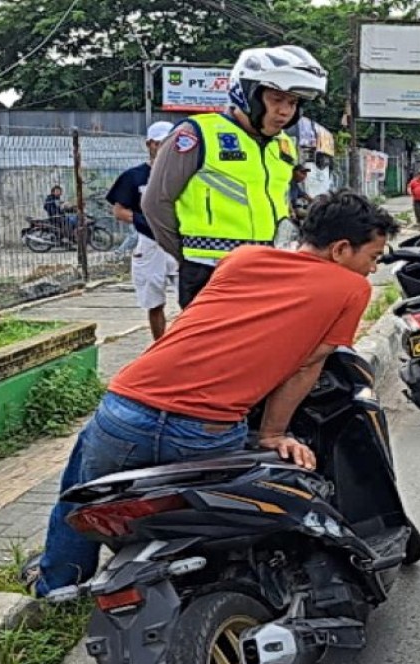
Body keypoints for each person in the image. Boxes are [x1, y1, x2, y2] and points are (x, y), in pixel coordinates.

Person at [21, 190, 397, 598]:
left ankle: (55, 588)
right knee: (238, 518)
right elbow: (307, 366)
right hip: (204, 431)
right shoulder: (350, 288)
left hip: (126, 409)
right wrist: (273, 433)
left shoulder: (243, 258)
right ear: (342, 249)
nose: (372, 269)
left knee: (79, 499)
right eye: (372, 258)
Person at [143, 45, 327, 308]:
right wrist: (186, 256)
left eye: (293, 102)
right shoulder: (196, 134)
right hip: (211, 272)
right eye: (276, 99)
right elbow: (156, 203)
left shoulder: (283, 145)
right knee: (211, 349)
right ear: (248, 94)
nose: (285, 112)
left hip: (267, 269)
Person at [106, 121, 178, 340]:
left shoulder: (186, 174)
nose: (166, 147)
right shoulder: (134, 177)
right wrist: (144, 222)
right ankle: (160, 346)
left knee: (192, 298)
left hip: (181, 243)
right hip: (150, 244)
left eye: (171, 143)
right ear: (150, 144)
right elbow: (119, 211)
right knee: (154, 301)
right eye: (160, 143)